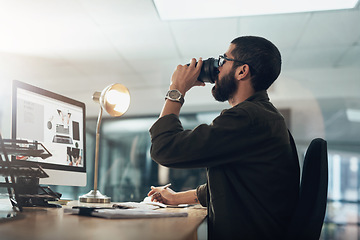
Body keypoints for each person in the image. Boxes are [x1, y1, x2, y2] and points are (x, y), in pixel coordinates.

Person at [148, 36, 300, 240]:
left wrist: (176, 90)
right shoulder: (263, 117)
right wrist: (177, 198)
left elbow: (164, 148)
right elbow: (235, 185)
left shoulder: (246, 118)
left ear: (242, 71)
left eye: (223, 60)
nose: (216, 67)